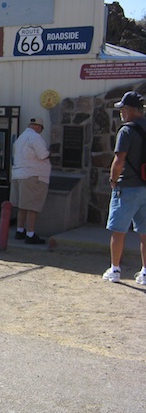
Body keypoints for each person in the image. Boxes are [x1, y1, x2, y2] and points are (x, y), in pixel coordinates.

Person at [102, 91, 146, 284]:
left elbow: (119, 160)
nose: (121, 112)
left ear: (129, 110)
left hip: (127, 186)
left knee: (118, 230)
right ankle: (144, 272)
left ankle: (115, 269)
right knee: (145, 231)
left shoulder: (126, 131)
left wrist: (113, 180)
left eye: (123, 109)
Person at [10, 116, 51, 244]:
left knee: (22, 205)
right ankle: (30, 234)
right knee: (32, 206)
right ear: (39, 127)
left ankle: (20, 230)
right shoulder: (35, 137)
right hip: (32, 175)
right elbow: (43, 155)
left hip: (18, 174)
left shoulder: (20, 138)